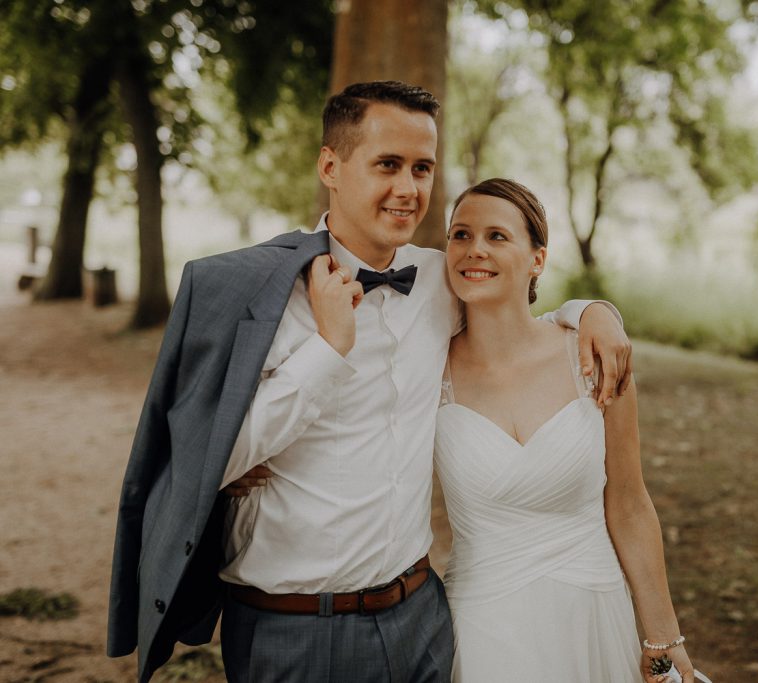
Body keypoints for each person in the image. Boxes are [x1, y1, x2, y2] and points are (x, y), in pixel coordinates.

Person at [106, 81, 632, 683]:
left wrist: (591, 311)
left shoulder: (441, 279)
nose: (408, 189)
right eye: (387, 165)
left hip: (422, 620)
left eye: (422, 168)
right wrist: (326, 350)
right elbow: (199, 468)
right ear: (331, 165)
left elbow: (516, 305)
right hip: (294, 630)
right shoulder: (250, 293)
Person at [435, 178, 710, 683]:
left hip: (593, 613)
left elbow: (629, 504)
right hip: (481, 626)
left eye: (497, 236)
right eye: (460, 234)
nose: (475, 250)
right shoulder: (429, 369)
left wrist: (663, 639)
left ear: (537, 259)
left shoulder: (594, 357)